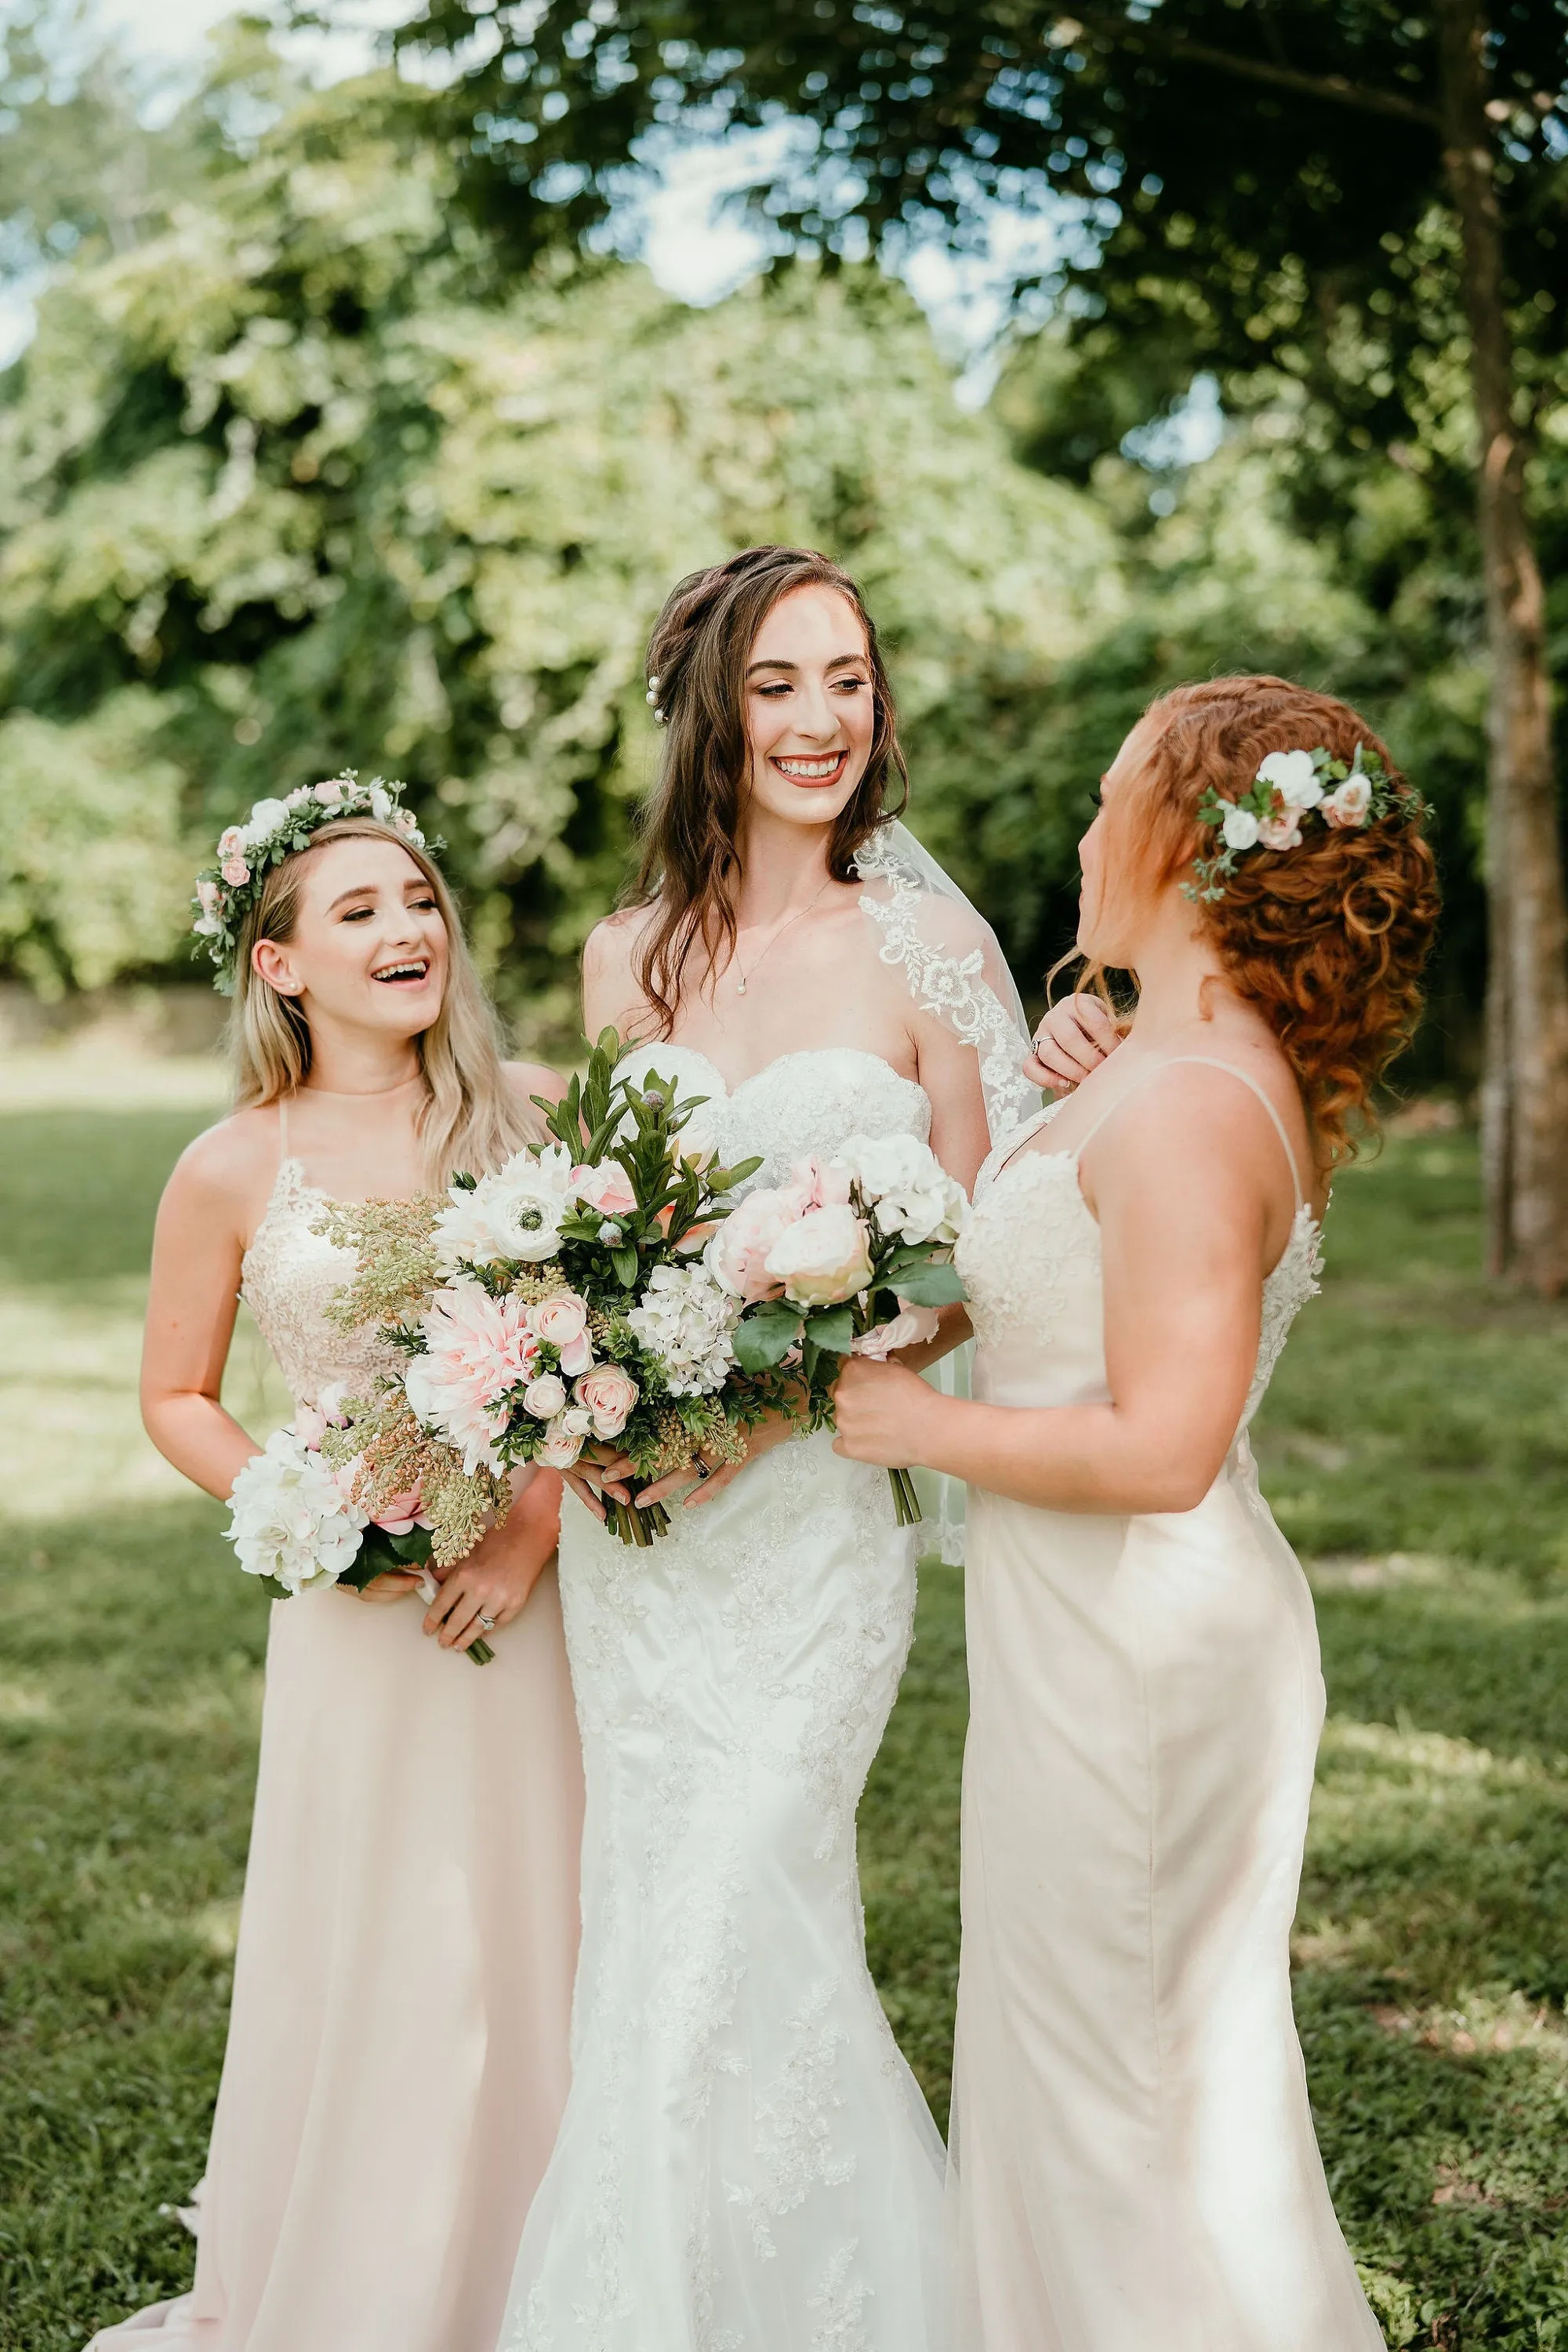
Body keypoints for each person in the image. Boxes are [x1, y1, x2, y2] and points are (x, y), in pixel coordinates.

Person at [833, 676, 1439, 2351]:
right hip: (1087, 1634)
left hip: (1142, 1647)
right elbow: (1059, 1260)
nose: (1089, 831)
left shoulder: (1183, 1099)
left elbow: (1166, 1441)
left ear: (1184, 843)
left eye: (1111, 802)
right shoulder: (1166, 1059)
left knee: (1130, 2091)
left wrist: (916, 1423)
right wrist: (1069, 1068)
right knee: (1108, 2073)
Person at [495, 546, 1033, 2352]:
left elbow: (985, 1260)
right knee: (654, 1916)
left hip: (807, 1526)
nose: (820, 719)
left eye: (849, 680)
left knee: (750, 1891)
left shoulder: (930, 949)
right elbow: (600, 1242)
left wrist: (772, 1408)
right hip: (640, 1543)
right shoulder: (623, 956)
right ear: (712, 707)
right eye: (781, 683)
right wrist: (607, 1425)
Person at [91, 784, 584, 2352]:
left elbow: (628, 1345)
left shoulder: (536, 1111)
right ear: (279, 963)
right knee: (375, 1926)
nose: (404, 930)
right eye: (357, 911)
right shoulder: (232, 1165)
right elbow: (176, 1395)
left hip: (541, 1603)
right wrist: (305, 1507)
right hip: (355, 1619)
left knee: (543, 1914)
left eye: (417, 901)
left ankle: (554, 2262)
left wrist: (532, 1527)